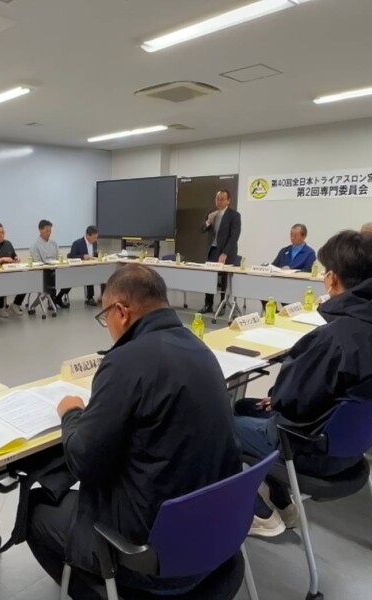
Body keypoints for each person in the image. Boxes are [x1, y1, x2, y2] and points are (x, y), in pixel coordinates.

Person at [27, 264, 241, 599]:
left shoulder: (126, 360)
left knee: (35, 508)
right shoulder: (199, 347)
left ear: (121, 312)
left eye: (105, 317)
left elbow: (84, 460)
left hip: (153, 554)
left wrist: (71, 413)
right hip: (217, 533)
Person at [234, 230, 372, 538]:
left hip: (311, 450)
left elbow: (290, 400)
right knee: (244, 405)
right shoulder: (352, 331)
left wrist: (279, 396)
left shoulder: (334, 338)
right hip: (353, 446)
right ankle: (284, 502)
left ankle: (260, 514)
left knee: (217, 424)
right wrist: (280, 397)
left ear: (332, 279)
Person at [199, 190, 241, 313]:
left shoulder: (234, 215)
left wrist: (225, 253)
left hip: (226, 251)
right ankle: (208, 304)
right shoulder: (211, 213)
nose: (219, 201)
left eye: (222, 199)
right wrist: (208, 221)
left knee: (223, 279)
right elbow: (202, 230)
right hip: (213, 249)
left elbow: (234, 236)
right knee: (209, 277)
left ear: (228, 200)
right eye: (217, 199)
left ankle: (222, 304)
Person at [29, 219, 71, 309]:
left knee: (70, 277)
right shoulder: (34, 246)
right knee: (53, 277)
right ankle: (52, 301)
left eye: (50, 231)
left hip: (55, 269)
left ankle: (58, 298)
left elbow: (58, 257)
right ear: (40, 230)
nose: (49, 233)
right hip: (44, 272)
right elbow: (38, 263)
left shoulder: (54, 244)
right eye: (47, 231)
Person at [68, 225, 105, 306]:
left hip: (93, 266)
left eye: (96, 237)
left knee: (104, 273)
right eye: (94, 238)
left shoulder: (94, 243)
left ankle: (103, 296)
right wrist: (82, 256)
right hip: (81, 268)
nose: (96, 240)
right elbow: (71, 256)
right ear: (88, 235)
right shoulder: (77, 243)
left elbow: (94, 254)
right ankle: (90, 297)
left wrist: (100, 255)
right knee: (89, 274)